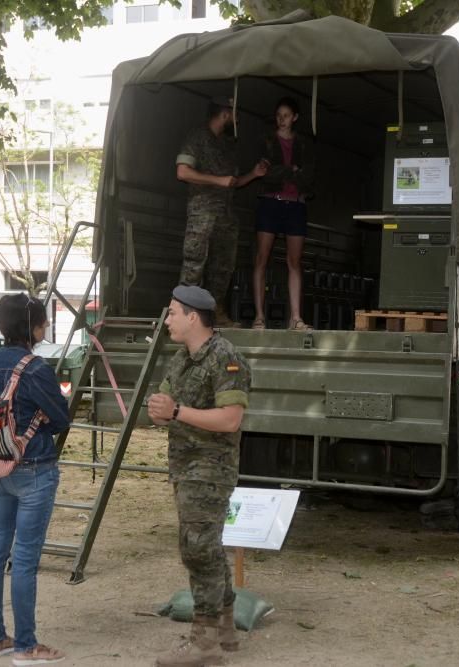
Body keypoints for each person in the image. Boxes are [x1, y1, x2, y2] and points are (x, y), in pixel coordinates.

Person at [148, 285, 252, 667]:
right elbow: (161, 406)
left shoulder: (226, 358)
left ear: (193, 317)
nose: (168, 320)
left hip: (211, 467)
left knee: (197, 548)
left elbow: (230, 419)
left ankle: (203, 643)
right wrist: (160, 411)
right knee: (205, 545)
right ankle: (224, 630)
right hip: (184, 464)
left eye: (173, 313)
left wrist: (176, 413)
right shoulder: (182, 360)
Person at [0, 294, 70, 666]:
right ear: (31, 326)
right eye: (43, 321)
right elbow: (61, 418)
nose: (46, 327)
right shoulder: (35, 367)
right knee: (26, 558)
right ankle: (27, 646)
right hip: (35, 468)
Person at [176, 97, 268, 328]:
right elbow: (183, 172)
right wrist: (218, 180)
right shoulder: (197, 137)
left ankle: (215, 313)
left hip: (225, 215)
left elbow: (232, 182)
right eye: (235, 115)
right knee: (194, 265)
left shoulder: (227, 145)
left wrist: (254, 175)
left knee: (223, 267)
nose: (237, 120)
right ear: (225, 114)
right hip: (202, 213)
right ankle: (182, 316)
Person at [251, 96, 315, 331]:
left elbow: (309, 176)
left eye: (286, 115)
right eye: (279, 115)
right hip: (270, 202)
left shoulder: (304, 144)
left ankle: (295, 318)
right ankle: (259, 317)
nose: (282, 120)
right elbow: (265, 174)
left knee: (294, 262)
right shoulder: (266, 140)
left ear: (295, 117)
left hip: (296, 204)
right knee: (262, 259)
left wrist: (283, 172)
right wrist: (291, 170)